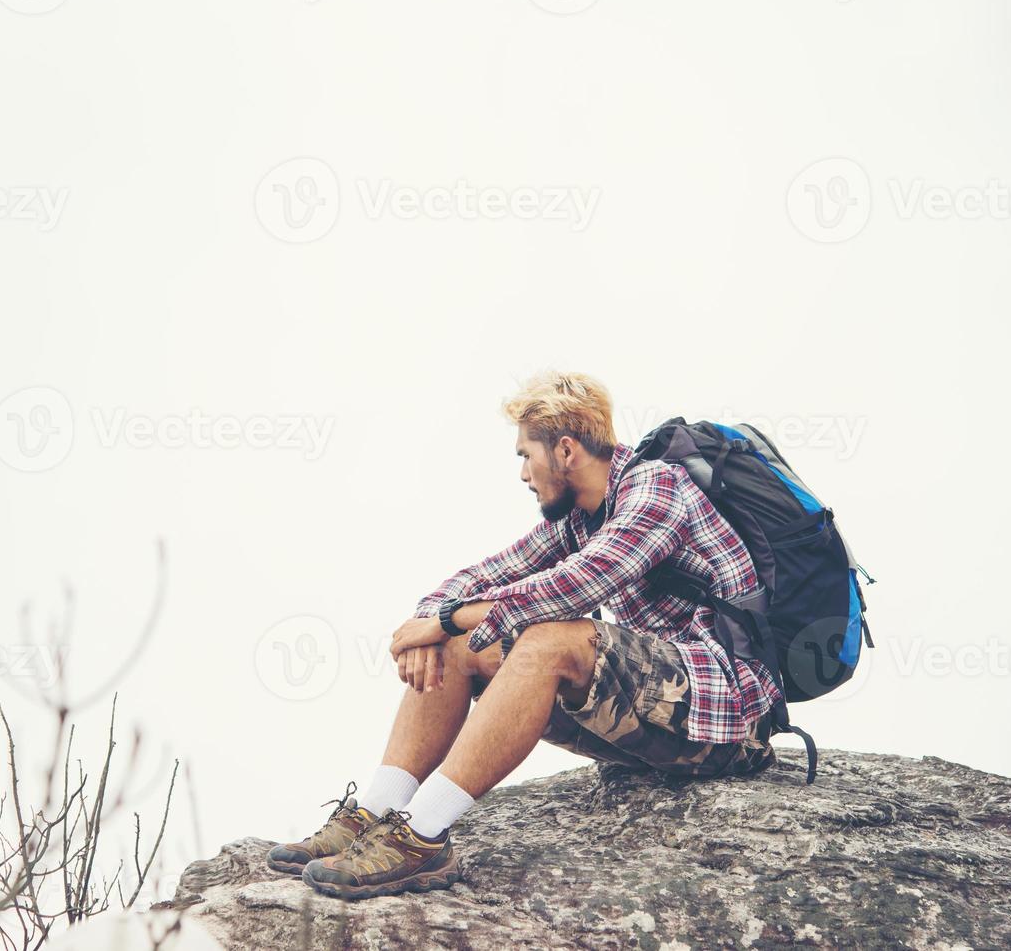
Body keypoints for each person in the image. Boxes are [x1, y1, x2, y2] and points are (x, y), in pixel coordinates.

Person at [267, 370, 783, 900]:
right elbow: (482, 576)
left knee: (548, 640)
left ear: (564, 450)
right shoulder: (581, 516)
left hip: (727, 720)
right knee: (460, 646)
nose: (521, 473)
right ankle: (375, 812)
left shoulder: (657, 488)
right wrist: (431, 627)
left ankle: (421, 837)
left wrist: (446, 619)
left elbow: (578, 582)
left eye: (524, 454)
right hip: (662, 722)